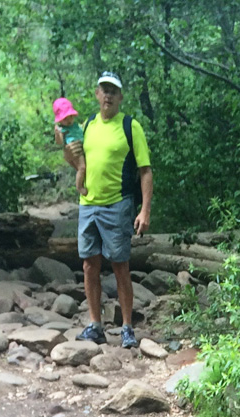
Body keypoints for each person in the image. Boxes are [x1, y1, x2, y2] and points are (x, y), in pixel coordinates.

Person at [76, 71, 153, 351]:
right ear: (97, 94)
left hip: (118, 204)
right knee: (89, 265)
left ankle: (127, 328)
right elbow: (78, 163)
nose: (107, 95)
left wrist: (144, 210)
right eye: (103, 89)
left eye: (113, 91)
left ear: (120, 97)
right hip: (88, 205)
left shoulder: (131, 127)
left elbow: (145, 171)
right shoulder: (86, 126)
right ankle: (95, 325)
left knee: (120, 266)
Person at [52, 96, 86, 195]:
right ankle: (79, 186)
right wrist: (57, 134)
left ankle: (82, 182)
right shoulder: (62, 129)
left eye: (70, 117)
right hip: (74, 149)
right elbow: (60, 142)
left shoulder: (76, 126)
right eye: (65, 118)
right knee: (82, 167)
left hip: (82, 146)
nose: (69, 120)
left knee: (84, 168)